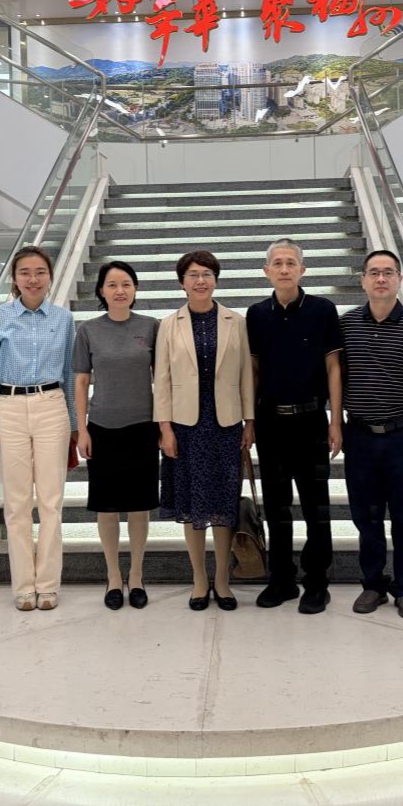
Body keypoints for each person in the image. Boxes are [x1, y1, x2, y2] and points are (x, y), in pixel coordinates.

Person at [245, 238, 343, 614]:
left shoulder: (322, 310)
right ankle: (281, 579)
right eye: (277, 263)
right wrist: (249, 420)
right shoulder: (257, 314)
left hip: (312, 421)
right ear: (266, 271)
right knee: (276, 506)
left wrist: (336, 419)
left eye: (290, 263)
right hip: (270, 423)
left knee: (317, 508)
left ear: (302, 270)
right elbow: (254, 371)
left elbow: (334, 367)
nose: (284, 269)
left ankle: (316, 582)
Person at [340, 249, 403, 619]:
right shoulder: (347, 324)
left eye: (388, 272)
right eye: (374, 272)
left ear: (399, 279)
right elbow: (336, 375)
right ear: (363, 280)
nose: (381, 279)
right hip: (359, 435)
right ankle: (372, 585)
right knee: (366, 517)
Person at [0, 245, 77, 612]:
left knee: (51, 502)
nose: (33, 279)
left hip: (52, 406)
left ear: (49, 276)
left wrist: (74, 425)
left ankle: (48, 585)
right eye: (25, 272)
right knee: (17, 504)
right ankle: (23, 587)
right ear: (15, 278)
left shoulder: (63, 319)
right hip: (9, 408)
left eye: (40, 272)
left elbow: (69, 374)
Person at [155, 250, 255, 612]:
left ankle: (223, 581)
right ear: (182, 282)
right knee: (193, 503)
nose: (200, 281)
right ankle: (199, 579)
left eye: (207, 274)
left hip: (226, 425)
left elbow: (245, 374)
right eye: (193, 275)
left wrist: (249, 421)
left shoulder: (235, 321)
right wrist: (164, 428)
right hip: (185, 427)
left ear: (216, 280)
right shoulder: (169, 324)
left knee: (224, 504)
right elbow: (162, 380)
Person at [74, 261, 160, 610]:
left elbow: (162, 379)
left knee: (139, 508)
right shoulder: (88, 330)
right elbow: (81, 381)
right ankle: (113, 576)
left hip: (143, 428)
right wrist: (81, 428)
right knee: (106, 508)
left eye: (126, 284)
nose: (119, 290)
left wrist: (164, 424)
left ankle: (136, 575)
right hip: (102, 429)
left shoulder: (152, 327)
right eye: (112, 284)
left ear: (135, 289)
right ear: (101, 291)